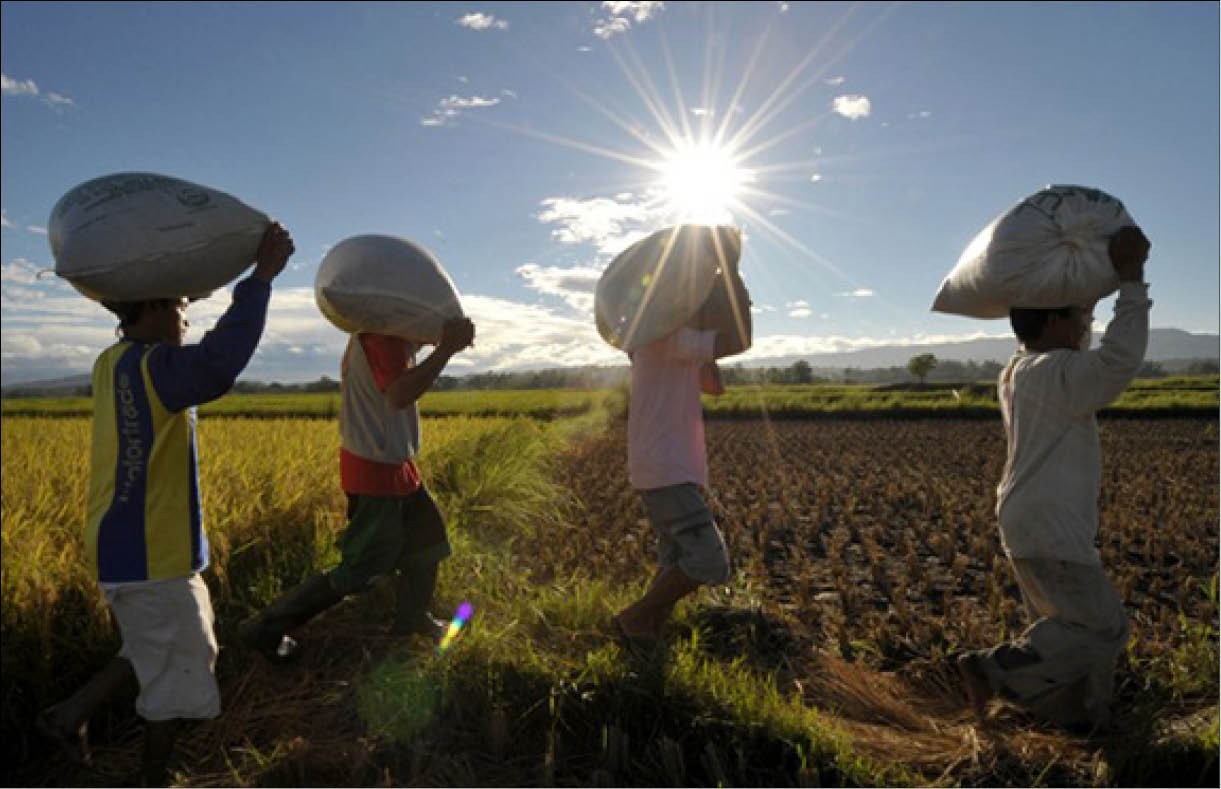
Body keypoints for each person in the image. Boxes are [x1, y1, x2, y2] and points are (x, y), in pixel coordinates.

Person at [35, 222, 296, 785]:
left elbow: (185, 348)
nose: (187, 319)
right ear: (153, 307)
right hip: (152, 558)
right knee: (179, 678)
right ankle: (155, 778)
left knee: (155, 648)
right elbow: (218, 364)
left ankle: (68, 715)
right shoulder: (159, 369)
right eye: (182, 309)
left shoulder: (114, 362)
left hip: (126, 549)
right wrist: (260, 280)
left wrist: (189, 274)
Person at [957, 225, 1152, 732]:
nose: (1087, 323)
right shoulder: (1058, 374)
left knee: (1063, 636)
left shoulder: (1019, 370)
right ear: (1054, 322)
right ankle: (990, 669)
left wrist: (1086, 286)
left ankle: (1080, 724)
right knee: (1104, 629)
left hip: (1026, 523)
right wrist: (1130, 279)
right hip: (1051, 525)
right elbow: (1118, 361)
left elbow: (1083, 343)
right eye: (1081, 315)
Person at [239, 316, 475, 663]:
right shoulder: (380, 338)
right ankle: (265, 628)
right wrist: (446, 350)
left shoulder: (387, 336)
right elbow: (399, 393)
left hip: (396, 467)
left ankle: (411, 621)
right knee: (362, 566)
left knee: (428, 541)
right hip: (375, 471)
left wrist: (438, 340)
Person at [610, 258, 749, 650]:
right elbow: (742, 340)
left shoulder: (671, 340)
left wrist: (708, 333)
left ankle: (645, 635)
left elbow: (714, 386)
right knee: (709, 561)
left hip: (666, 466)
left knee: (673, 562)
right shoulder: (663, 336)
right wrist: (732, 273)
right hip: (665, 468)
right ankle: (635, 617)